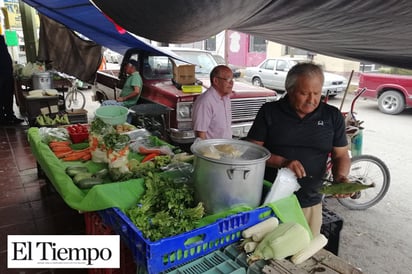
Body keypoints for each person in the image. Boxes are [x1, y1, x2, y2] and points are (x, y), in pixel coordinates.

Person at [246, 62, 351, 236]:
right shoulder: (270, 111)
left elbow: (341, 155)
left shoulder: (332, 116)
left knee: (304, 252)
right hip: (269, 200)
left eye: (317, 93)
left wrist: (341, 176)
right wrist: (282, 162)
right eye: (304, 93)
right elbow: (252, 152)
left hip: (309, 201)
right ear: (290, 89)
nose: (312, 100)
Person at [192, 65, 233, 139]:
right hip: (212, 149)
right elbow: (200, 135)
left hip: (226, 147)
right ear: (216, 81)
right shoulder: (205, 101)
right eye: (228, 80)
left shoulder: (226, 98)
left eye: (232, 80)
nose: (232, 83)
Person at [0, 35, 24, 125]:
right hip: (3, 74)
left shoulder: (1, 39)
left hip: (7, 73)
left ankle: (10, 116)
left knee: (8, 95)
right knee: (3, 96)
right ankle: (3, 118)